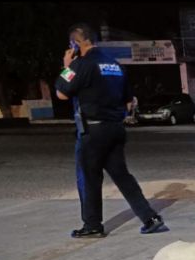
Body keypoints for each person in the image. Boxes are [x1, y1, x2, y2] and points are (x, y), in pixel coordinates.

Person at [55, 23, 165, 238]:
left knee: (89, 178)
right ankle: (150, 217)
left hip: (93, 130)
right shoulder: (114, 64)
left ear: (75, 44)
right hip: (115, 129)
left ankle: (92, 225)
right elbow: (128, 102)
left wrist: (67, 65)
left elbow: (61, 92)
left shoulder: (81, 65)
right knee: (122, 176)